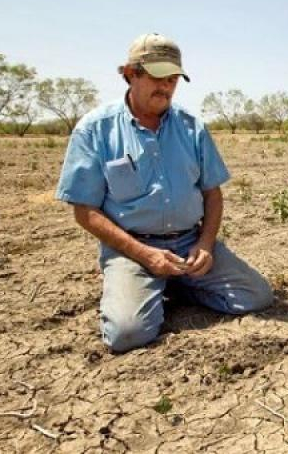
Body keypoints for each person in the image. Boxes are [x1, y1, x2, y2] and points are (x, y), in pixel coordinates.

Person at [56, 33, 273, 353]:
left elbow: (212, 194)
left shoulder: (192, 127)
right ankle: (140, 284)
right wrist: (146, 256)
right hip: (133, 249)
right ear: (130, 74)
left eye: (173, 78)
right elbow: (84, 211)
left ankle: (177, 283)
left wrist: (206, 244)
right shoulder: (95, 129)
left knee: (257, 296)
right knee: (127, 334)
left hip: (189, 243)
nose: (166, 86)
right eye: (157, 77)